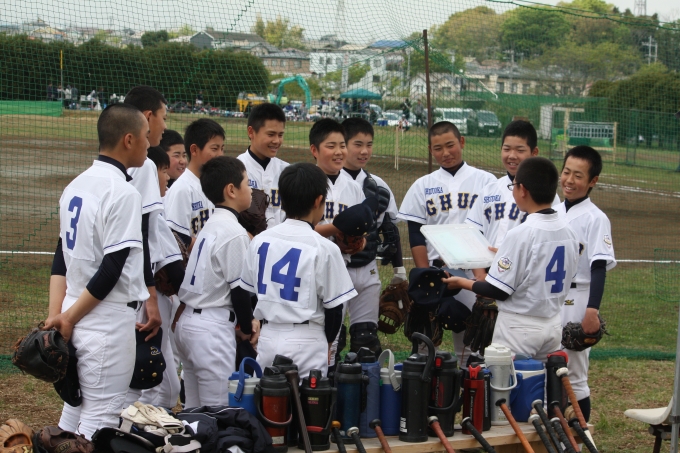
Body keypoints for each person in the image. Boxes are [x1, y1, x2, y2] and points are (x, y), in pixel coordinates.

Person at [46, 104, 150, 438]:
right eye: (146, 136)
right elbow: (111, 270)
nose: (149, 144)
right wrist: (67, 318)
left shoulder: (76, 184)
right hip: (104, 319)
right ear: (129, 140)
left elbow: (61, 257)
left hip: (74, 309)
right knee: (100, 419)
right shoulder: (123, 192)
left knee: (74, 410)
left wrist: (58, 314)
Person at [443, 157, 579, 363]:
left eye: (513, 186)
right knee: (543, 382)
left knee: (504, 383)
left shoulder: (520, 234)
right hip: (553, 325)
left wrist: (461, 282)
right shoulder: (569, 231)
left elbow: (498, 291)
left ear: (522, 190)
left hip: (519, 328)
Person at [238, 162, 357, 377]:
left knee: (268, 396)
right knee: (307, 399)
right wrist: (328, 342)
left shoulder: (260, 240)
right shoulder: (325, 247)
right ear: (318, 201)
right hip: (307, 339)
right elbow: (335, 309)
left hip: (269, 336)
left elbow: (248, 293)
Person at [397, 121, 496, 359]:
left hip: (474, 272)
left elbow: (492, 228)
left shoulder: (486, 181)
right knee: (425, 343)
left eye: (450, 145)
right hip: (436, 273)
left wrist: (483, 276)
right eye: (438, 148)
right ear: (430, 150)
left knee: (471, 343)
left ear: (461, 142)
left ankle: (468, 378)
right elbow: (415, 234)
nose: (445, 153)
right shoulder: (423, 185)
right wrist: (424, 276)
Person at [175, 156, 257, 407]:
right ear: (231, 190)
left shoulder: (210, 224)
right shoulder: (234, 232)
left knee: (193, 410)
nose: (251, 190)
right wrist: (247, 327)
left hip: (189, 323)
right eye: (247, 183)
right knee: (218, 410)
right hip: (211, 329)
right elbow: (240, 290)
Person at [557, 146, 616, 422]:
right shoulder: (552, 211)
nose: (569, 180)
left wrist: (592, 310)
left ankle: (579, 438)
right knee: (549, 365)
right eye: (566, 172)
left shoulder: (596, 218)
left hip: (578, 297)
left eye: (578, 175)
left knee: (574, 374)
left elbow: (599, 267)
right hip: (550, 298)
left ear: (593, 181)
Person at [124, 146, 185, 409]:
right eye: (163, 171)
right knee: (145, 382)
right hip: (144, 300)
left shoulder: (149, 214)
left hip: (146, 299)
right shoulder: (150, 216)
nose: (167, 177)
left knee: (166, 387)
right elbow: (174, 271)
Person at [340, 117, 405, 356]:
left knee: (366, 339)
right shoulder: (325, 182)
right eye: (358, 144)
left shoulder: (378, 185)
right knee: (333, 338)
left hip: (368, 270)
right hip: (336, 269)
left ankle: (366, 381)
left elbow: (390, 230)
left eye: (369, 144)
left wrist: (399, 270)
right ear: (343, 145)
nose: (364, 151)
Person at [466, 120, 557, 252]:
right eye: (507, 149)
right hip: (487, 263)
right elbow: (473, 232)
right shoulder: (489, 190)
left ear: (534, 152)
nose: (512, 156)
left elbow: (548, 241)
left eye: (520, 150)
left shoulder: (546, 194)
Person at [164, 118, 225, 249]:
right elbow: (177, 237)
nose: (220, 154)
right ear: (194, 150)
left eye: (222, 148)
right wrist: (213, 248)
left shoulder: (216, 185)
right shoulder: (183, 188)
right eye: (215, 148)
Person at [237, 103, 289, 229]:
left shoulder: (287, 171)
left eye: (280, 135)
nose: (276, 141)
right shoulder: (236, 169)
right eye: (271, 134)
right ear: (251, 132)